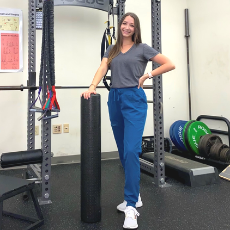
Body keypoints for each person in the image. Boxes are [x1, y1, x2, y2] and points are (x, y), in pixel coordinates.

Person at [81, 12, 175, 229]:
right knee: (124, 152)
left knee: (132, 150)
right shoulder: (112, 49)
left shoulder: (142, 48)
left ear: (135, 28)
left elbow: (169, 64)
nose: (127, 27)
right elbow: (103, 67)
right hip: (114, 98)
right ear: (120, 25)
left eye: (131, 25)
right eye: (124, 23)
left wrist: (148, 76)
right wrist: (92, 86)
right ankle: (136, 195)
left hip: (134, 99)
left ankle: (131, 206)